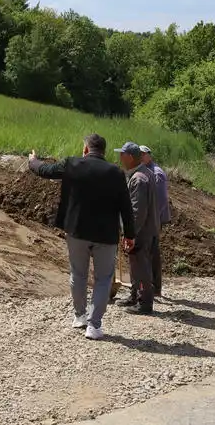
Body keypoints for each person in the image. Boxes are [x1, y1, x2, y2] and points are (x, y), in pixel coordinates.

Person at [28, 134, 135, 340]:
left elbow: (45, 171)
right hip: (106, 235)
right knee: (103, 279)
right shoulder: (116, 173)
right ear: (103, 151)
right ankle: (94, 326)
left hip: (77, 231)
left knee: (78, 274)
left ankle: (79, 316)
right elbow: (126, 207)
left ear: (86, 150)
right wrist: (130, 234)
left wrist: (33, 161)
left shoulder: (72, 164)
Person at [113, 141, 159, 315]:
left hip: (141, 232)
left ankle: (144, 303)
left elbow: (137, 211)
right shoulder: (144, 173)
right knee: (136, 264)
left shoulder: (139, 179)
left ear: (130, 157)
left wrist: (129, 234)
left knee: (141, 266)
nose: (119, 158)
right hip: (146, 229)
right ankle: (134, 296)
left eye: (122, 154)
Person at [139, 145, 171, 297]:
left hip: (154, 220)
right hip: (150, 219)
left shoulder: (156, 173)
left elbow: (161, 201)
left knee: (152, 252)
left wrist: (152, 219)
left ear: (148, 155)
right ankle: (149, 286)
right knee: (150, 252)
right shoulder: (145, 170)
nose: (140, 157)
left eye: (142, 154)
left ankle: (154, 287)